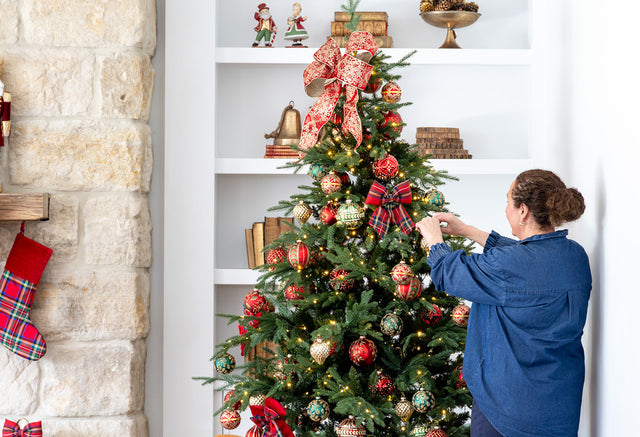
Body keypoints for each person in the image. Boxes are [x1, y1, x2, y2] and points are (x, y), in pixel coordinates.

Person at [416, 169, 591, 437]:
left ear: (522, 211)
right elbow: (529, 259)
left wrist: (434, 240)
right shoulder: (575, 256)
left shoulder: (508, 266)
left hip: (506, 411)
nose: (506, 209)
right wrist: (468, 231)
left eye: (508, 201)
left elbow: (449, 273)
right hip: (559, 409)